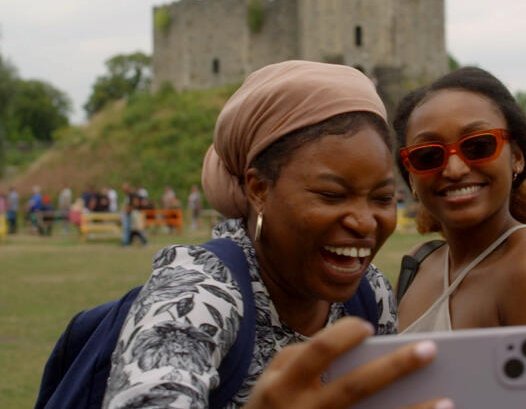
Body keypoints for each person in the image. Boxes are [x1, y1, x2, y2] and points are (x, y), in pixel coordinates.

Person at [103, 61, 443, 409]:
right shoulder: (196, 293)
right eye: (331, 195)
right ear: (259, 189)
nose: (365, 222)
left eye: (382, 198)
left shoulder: (371, 295)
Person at [392, 67, 526, 409]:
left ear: (516, 157)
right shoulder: (421, 262)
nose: (455, 168)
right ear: (412, 179)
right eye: (428, 155)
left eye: (478, 145)